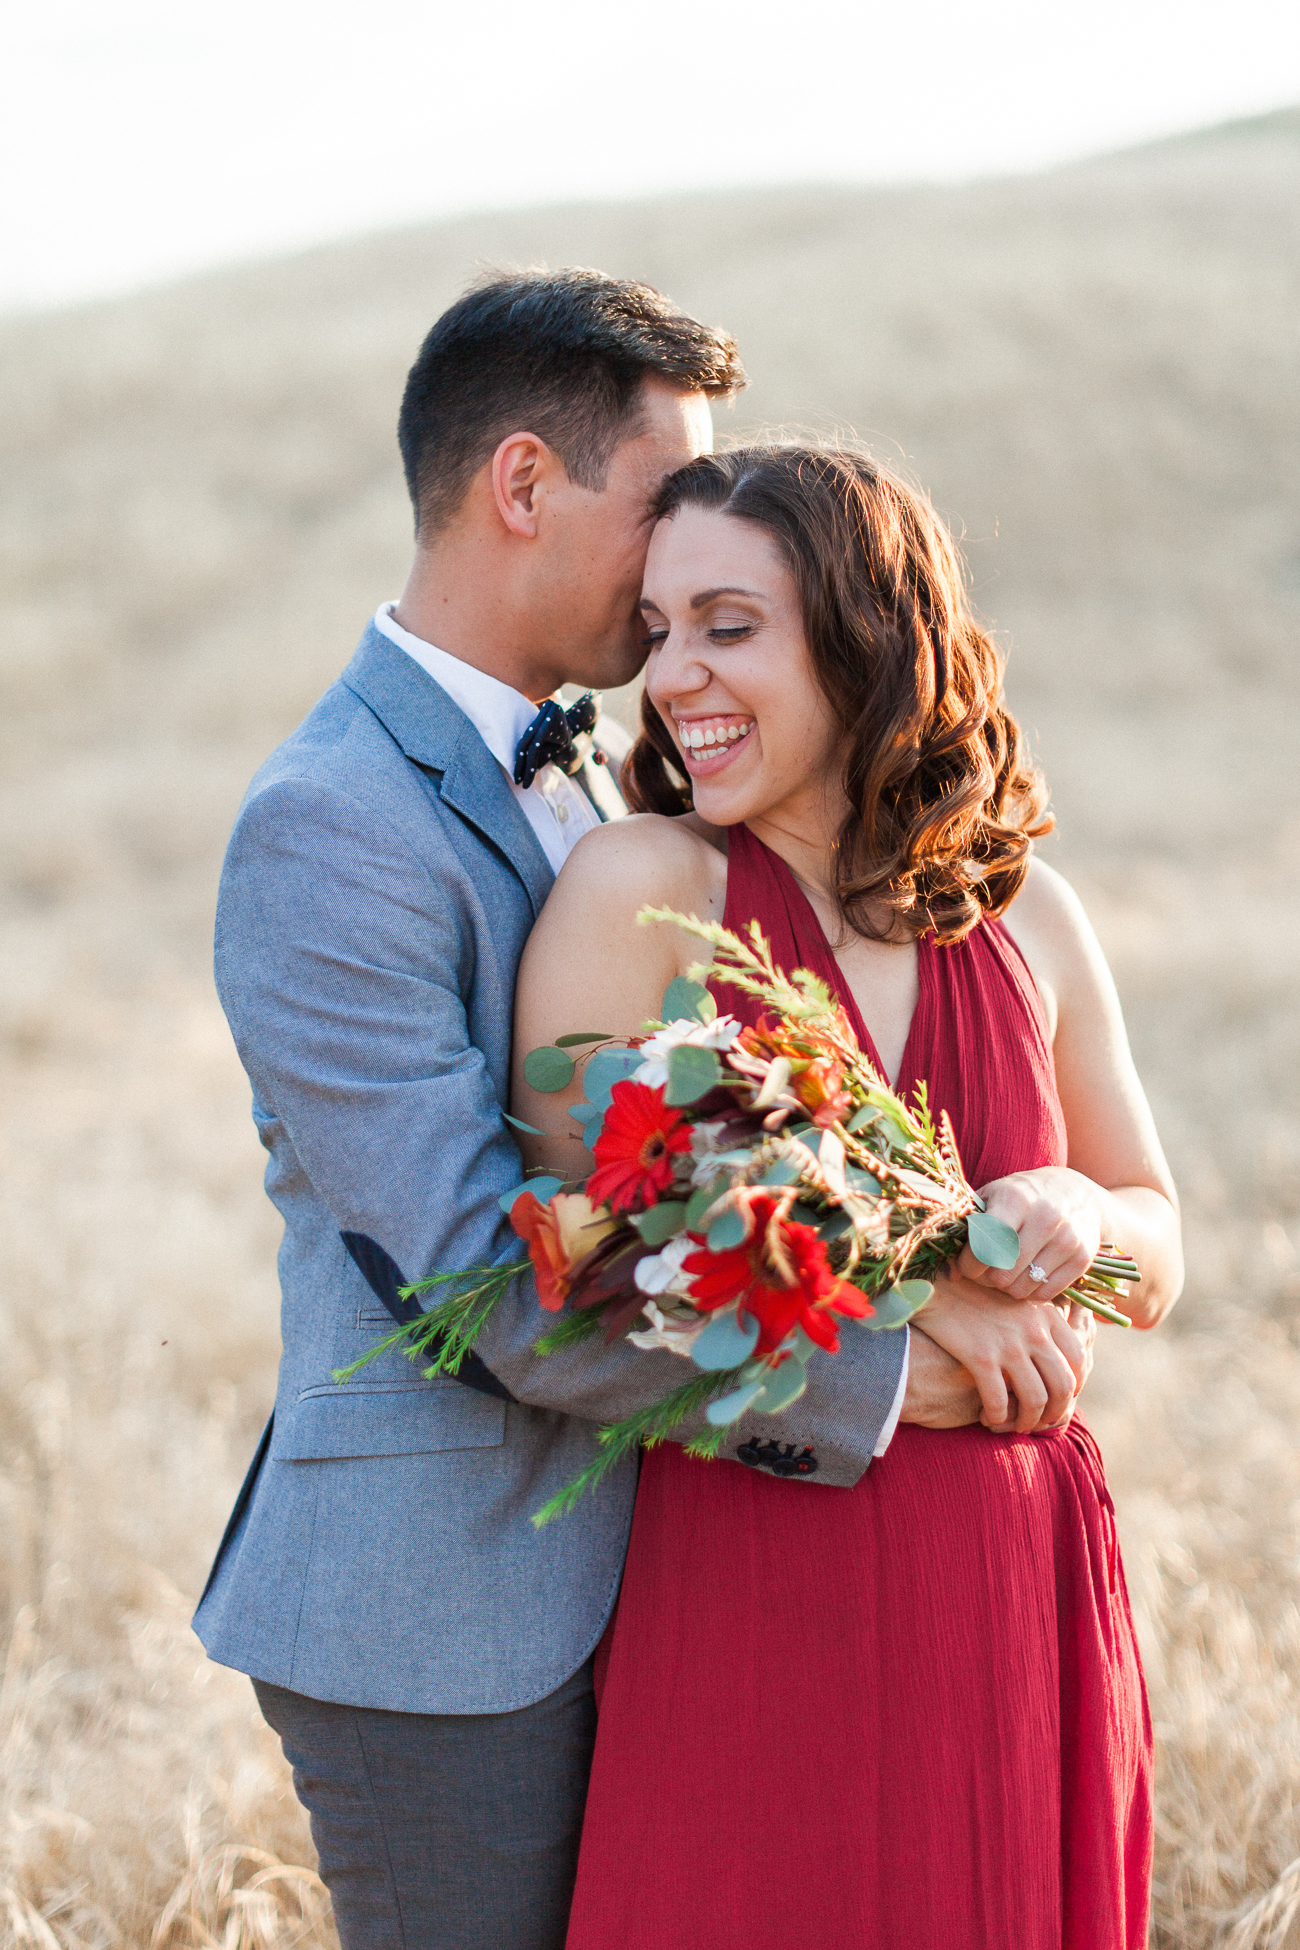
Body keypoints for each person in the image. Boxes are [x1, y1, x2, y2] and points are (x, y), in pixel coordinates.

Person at [193, 276, 1008, 1950]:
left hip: (662, 1576)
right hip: (444, 1621)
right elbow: (490, 1274)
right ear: (520, 486)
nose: (673, 564)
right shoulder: (326, 826)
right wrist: (890, 1371)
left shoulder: (583, 773)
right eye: (657, 500)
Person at [510, 445, 1184, 1950]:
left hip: (1011, 1590)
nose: (675, 673)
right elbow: (577, 1254)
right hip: (757, 1585)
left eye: (729, 625)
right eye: (661, 628)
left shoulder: (1027, 921)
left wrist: (1076, 1203)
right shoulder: (642, 887)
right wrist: (916, 1267)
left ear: (867, 636)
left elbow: (1159, 1244)